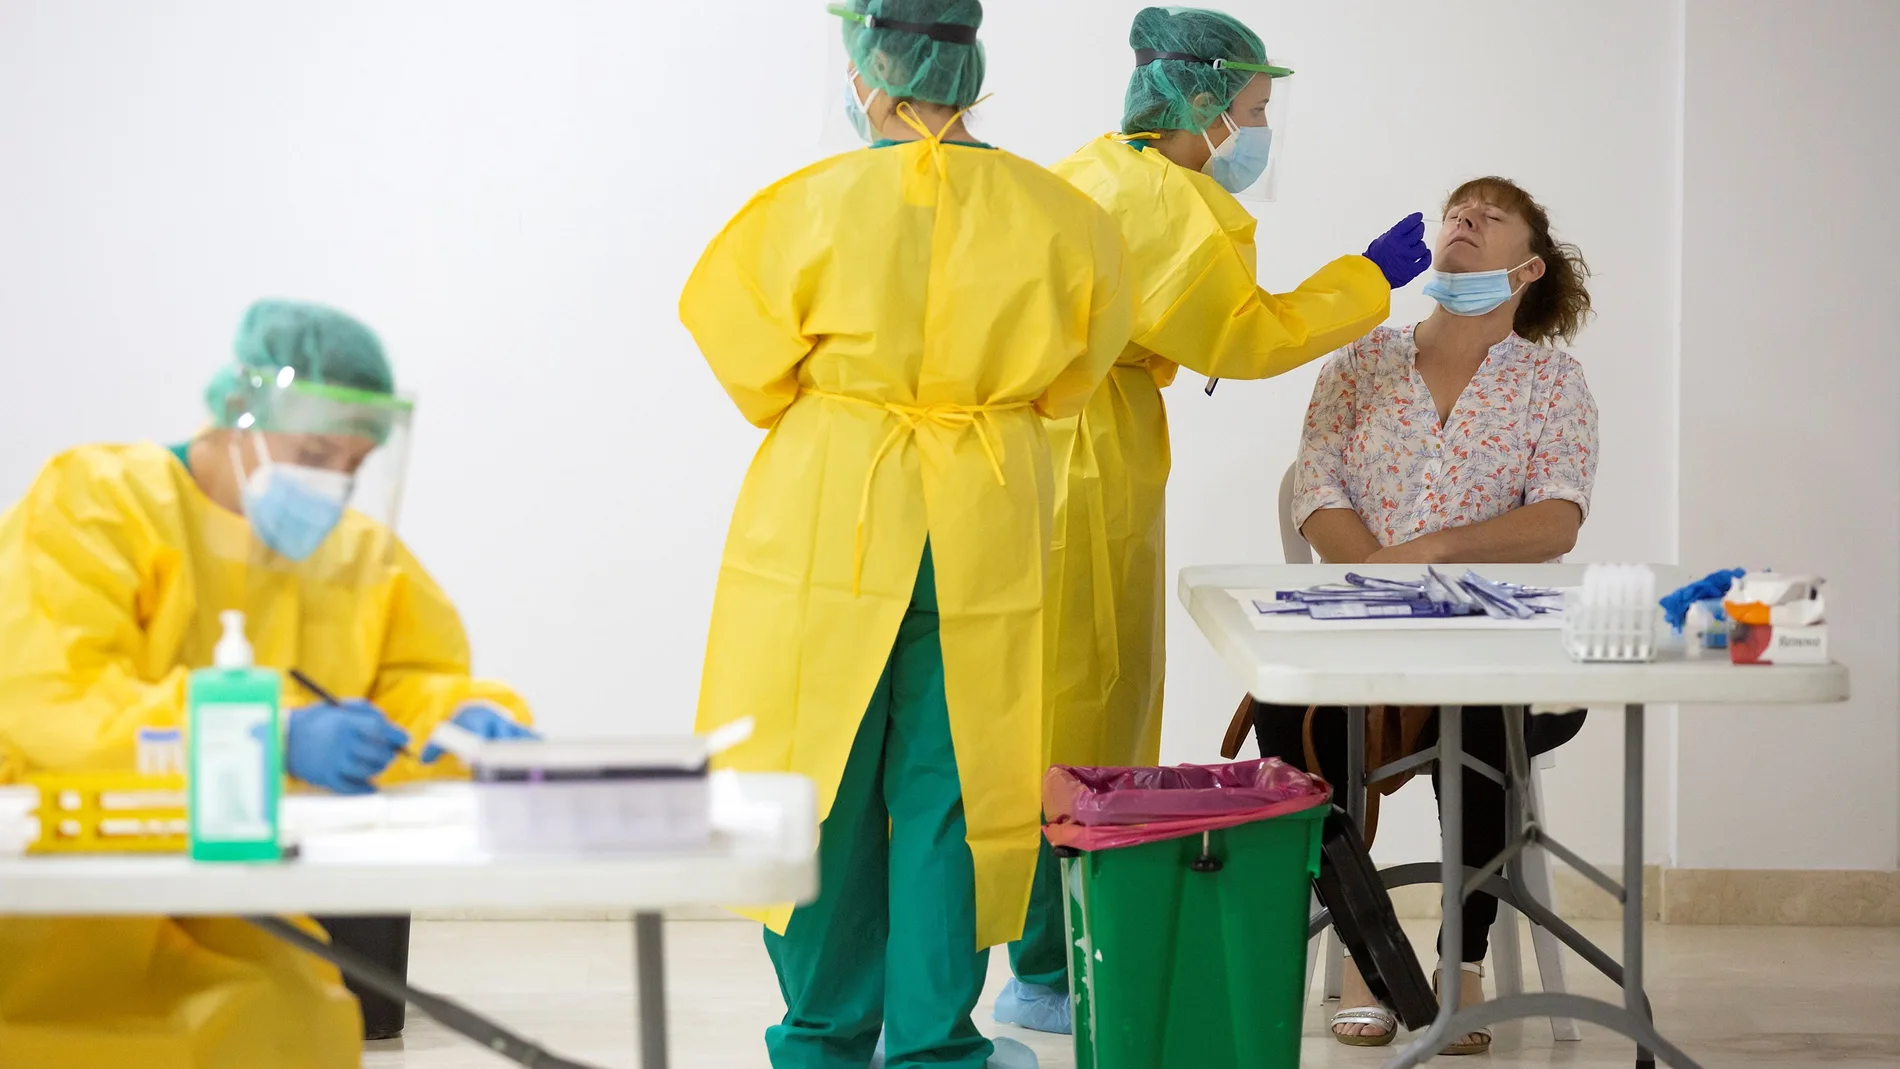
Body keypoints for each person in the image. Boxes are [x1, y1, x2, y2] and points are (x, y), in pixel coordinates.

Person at [681, 3, 1131, 1066]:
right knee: (959, 779)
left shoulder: (804, 206)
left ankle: (825, 1032)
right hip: (983, 509)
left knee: (817, 774)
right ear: (971, 73)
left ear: (868, 76)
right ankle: (933, 1042)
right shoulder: (1063, 215)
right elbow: (1077, 375)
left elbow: (745, 363)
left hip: (834, 505)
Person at [994, 5, 1434, 1035]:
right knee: (1087, 702)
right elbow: (1246, 335)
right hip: (1087, 456)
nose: (1259, 129)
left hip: (1034, 451)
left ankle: (1040, 953)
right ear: (1203, 103)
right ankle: (1055, 964)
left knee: (1027, 699)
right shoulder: (1168, 207)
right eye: (1255, 109)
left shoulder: (1089, 166)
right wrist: (1366, 280)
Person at [0, 299, 538, 1068]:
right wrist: (268, 736)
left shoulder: (355, 555)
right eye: (315, 454)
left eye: (352, 466)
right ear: (238, 410)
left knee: (297, 1022)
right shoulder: (98, 502)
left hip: (222, 903)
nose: (332, 485)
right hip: (62, 883)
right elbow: (53, 701)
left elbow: (411, 684)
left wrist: (465, 719)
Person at [1270, 175, 1599, 1054]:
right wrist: (1381, 574)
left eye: (1492, 218)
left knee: (1482, 720)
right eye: (1459, 210)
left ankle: (1463, 965)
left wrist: (1440, 550)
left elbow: (1557, 517)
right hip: (1361, 635)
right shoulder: (1360, 360)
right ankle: (1366, 964)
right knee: (1290, 713)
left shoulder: (1551, 382)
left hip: (1488, 641)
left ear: (1527, 269)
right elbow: (1317, 487)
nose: (1466, 220)